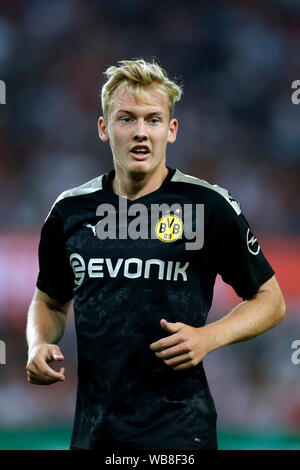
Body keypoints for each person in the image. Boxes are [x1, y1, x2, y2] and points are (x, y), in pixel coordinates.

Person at [26, 59, 286, 450]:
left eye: (153, 120)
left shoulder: (206, 206)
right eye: (126, 119)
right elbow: (49, 300)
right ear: (104, 128)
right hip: (95, 435)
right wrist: (38, 343)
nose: (140, 133)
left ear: (172, 129)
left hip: (181, 432)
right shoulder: (70, 212)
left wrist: (208, 337)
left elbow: (271, 300)